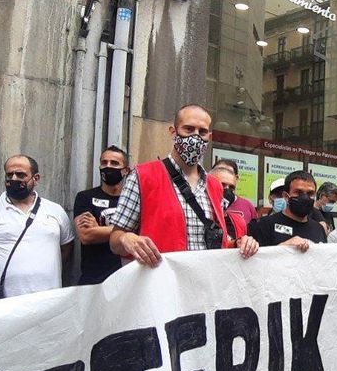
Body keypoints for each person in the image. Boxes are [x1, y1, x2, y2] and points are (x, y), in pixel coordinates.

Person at [109, 105, 259, 265]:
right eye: (188, 129)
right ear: (173, 132)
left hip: (204, 282)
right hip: (161, 281)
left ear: (209, 136)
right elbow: (115, 241)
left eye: (202, 132)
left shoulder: (214, 186)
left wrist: (238, 243)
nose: (195, 138)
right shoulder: (142, 176)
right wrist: (126, 238)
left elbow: (214, 238)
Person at [0, 155, 74, 297]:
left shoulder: (55, 210)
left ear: (36, 178)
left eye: (20, 175)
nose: (13, 179)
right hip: (3, 302)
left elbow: (66, 247)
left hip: (49, 300)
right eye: (9, 174)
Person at [73, 145, 129, 285]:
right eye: (104, 162)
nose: (108, 166)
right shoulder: (85, 197)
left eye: (114, 163)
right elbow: (87, 236)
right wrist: (129, 228)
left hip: (125, 279)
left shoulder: (133, 199)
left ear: (126, 170)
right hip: (94, 280)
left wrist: (99, 229)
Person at [248, 171, 327, 250]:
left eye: (310, 193)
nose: (305, 197)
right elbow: (256, 260)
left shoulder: (319, 229)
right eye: (298, 192)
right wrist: (282, 248)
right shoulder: (262, 226)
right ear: (286, 196)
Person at [210, 166, 249, 244]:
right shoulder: (197, 217)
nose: (227, 191)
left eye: (231, 188)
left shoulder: (239, 221)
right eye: (222, 185)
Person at [213, 159, 258, 223]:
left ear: (236, 178)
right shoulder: (204, 201)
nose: (225, 174)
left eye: (229, 172)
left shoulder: (248, 206)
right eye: (221, 170)